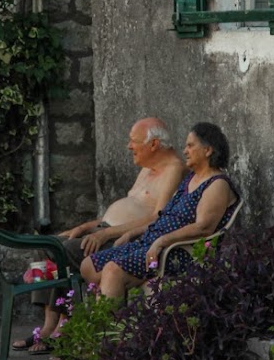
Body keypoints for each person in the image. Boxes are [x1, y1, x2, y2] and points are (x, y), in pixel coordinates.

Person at [11, 116, 183, 353]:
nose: (128, 146)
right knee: (49, 245)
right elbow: (125, 206)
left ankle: (64, 327)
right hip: (104, 231)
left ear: (153, 144)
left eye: (134, 141)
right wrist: (85, 227)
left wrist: (105, 234)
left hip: (123, 239)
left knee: (64, 252)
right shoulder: (146, 169)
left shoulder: (173, 169)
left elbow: (157, 217)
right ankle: (48, 327)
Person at [81, 121, 239, 300]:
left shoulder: (216, 184)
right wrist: (131, 233)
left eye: (190, 146)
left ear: (208, 150)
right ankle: (122, 292)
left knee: (112, 270)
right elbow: (164, 217)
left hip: (175, 251)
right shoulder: (191, 180)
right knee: (88, 266)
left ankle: (107, 325)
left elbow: (203, 228)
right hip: (150, 241)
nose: (185, 151)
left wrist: (162, 241)